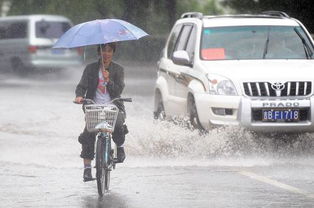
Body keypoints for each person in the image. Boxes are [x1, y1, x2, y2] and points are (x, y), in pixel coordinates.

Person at [74, 43, 127, 182]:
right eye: (103, 50)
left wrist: (108, 80)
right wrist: (79, 96)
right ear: (99, 52)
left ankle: (120, 147)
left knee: (119, 125)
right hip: (94, 106)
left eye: (109, 50)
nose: (106, 53)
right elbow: (81, 87)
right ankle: (86, 169)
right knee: (88, 133)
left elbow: (118, 92)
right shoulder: (90, 69)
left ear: (113, 52)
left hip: (113, 106)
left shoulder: (118, 70)